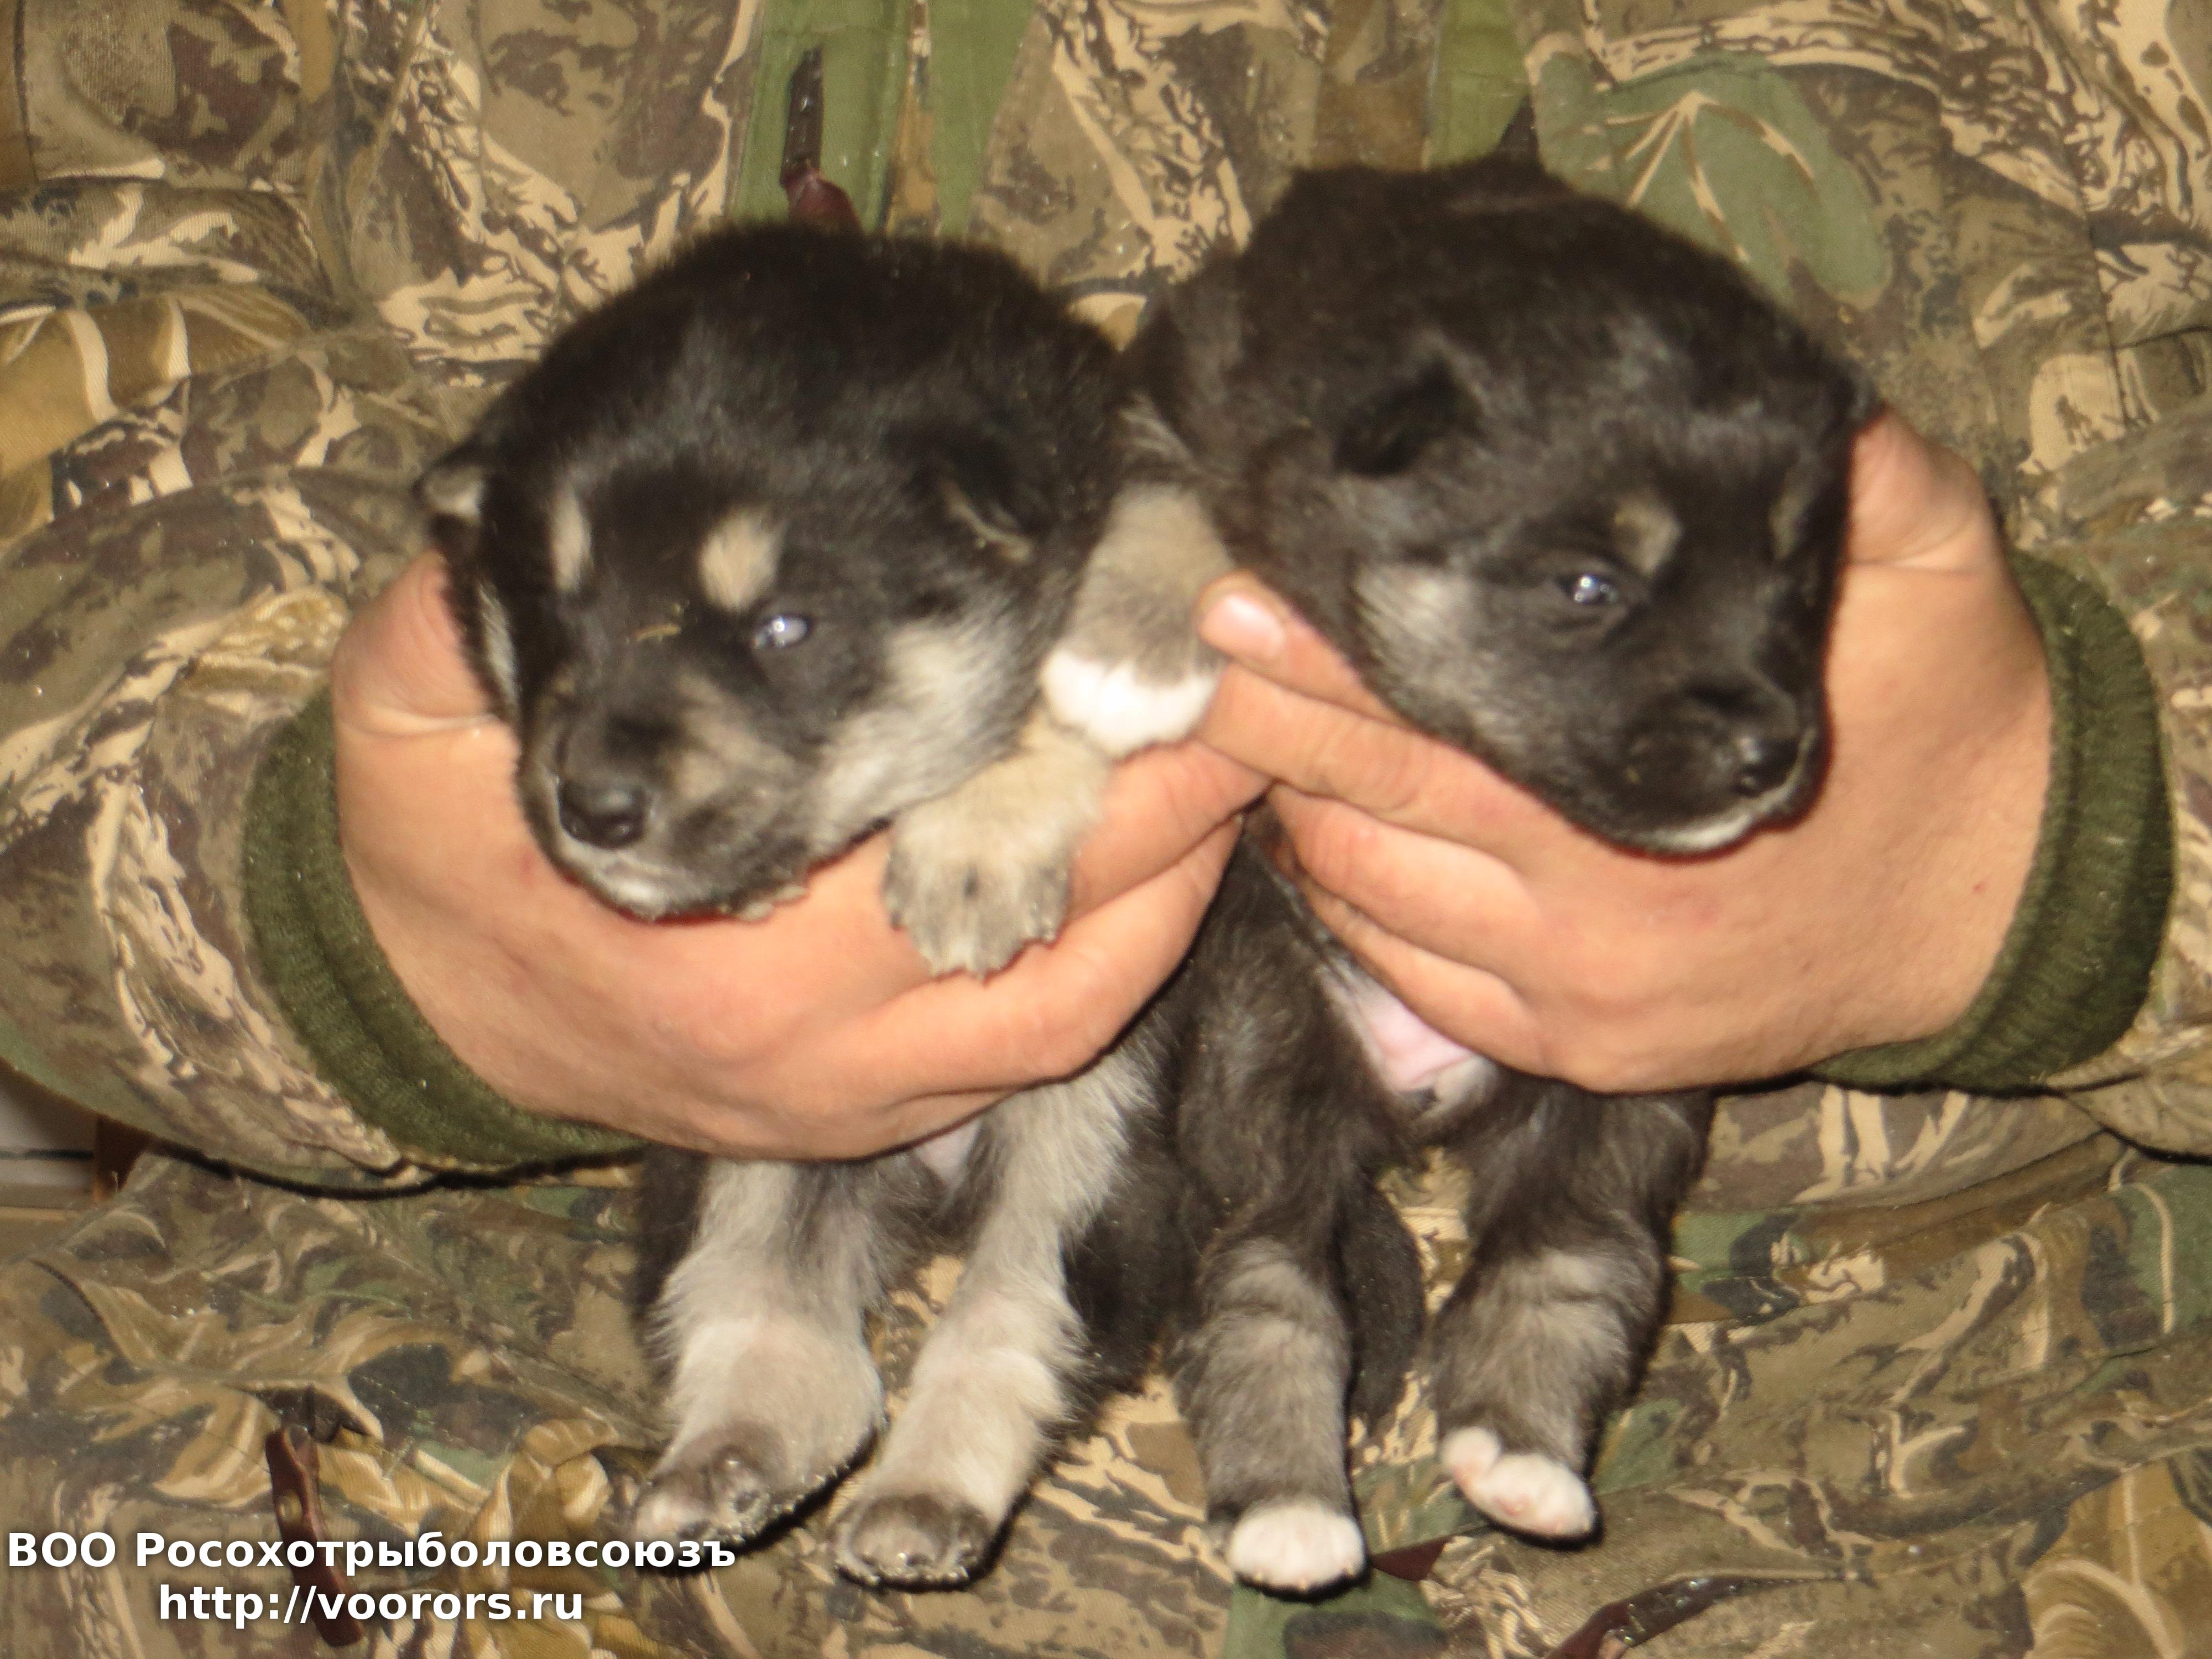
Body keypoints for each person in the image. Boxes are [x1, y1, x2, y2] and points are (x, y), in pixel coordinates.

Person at [0, 2, 2204, 1657]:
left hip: (1931, 1478)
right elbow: (80, 317)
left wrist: (2071, 856)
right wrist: (315, 926)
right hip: (402, 1458)